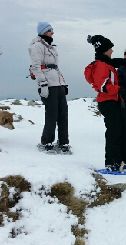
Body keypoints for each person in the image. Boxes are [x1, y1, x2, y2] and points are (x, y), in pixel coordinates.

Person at [86, 35, 126, 171]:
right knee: (114, 132)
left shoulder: (107, 64)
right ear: (105, 50)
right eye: (110, 49)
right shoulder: (101, 66)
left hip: (114, 101)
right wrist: (121, 90)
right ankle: (112, 162)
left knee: (122, 129)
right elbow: (103, 86)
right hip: (107, 103)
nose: (112, 51)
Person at [28, 22, 71, 153]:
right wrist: (43, 84)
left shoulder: (52, 47)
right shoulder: (37, 46)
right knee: (52, 115)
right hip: (48, 85)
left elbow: (55, 68)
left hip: (58, 84)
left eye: (52, 30)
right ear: (43, 32)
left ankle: (63, 142)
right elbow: (36, 67)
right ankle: (46, 141)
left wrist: (63, 83)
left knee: (63, 114)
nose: (53, 32)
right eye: (50, 30)